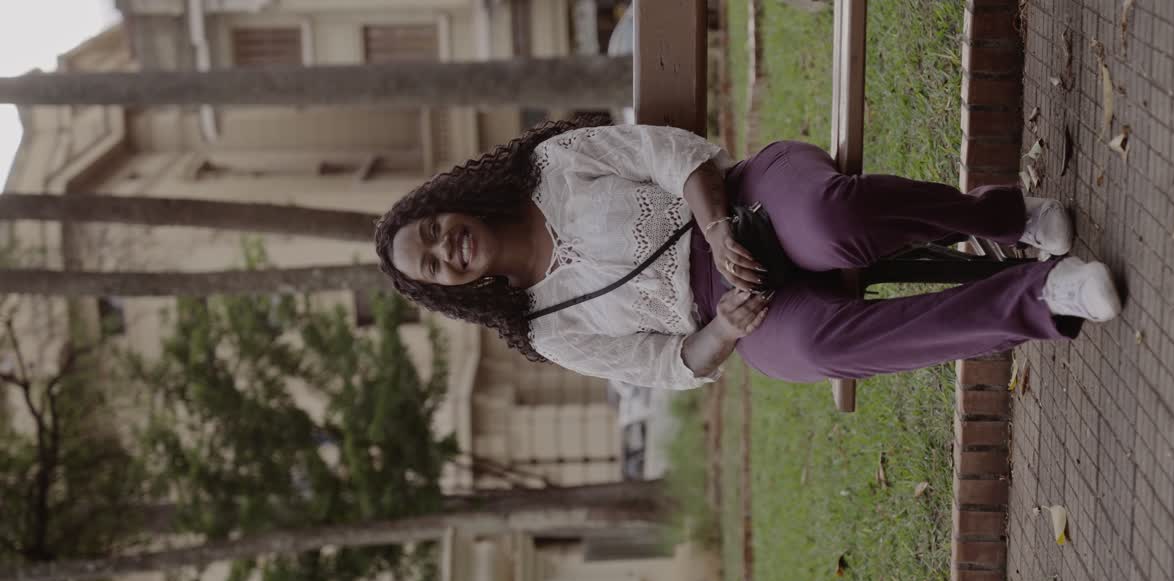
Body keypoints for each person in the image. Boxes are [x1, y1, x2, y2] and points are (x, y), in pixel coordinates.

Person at [374, 115, 1121, 390]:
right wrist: (726, 328)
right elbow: (666, 365)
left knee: (832, 222)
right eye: (434, 265)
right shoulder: (547, 327)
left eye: (433, 232)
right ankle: (1043, 296)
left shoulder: (553, 165)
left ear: (448, 205)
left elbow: (670, 155)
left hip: (747, 203)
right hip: (739, 309)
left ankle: (1004, 215)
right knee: (819, 348)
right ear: (452, 290)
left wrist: (719, 230)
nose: (447, 250)